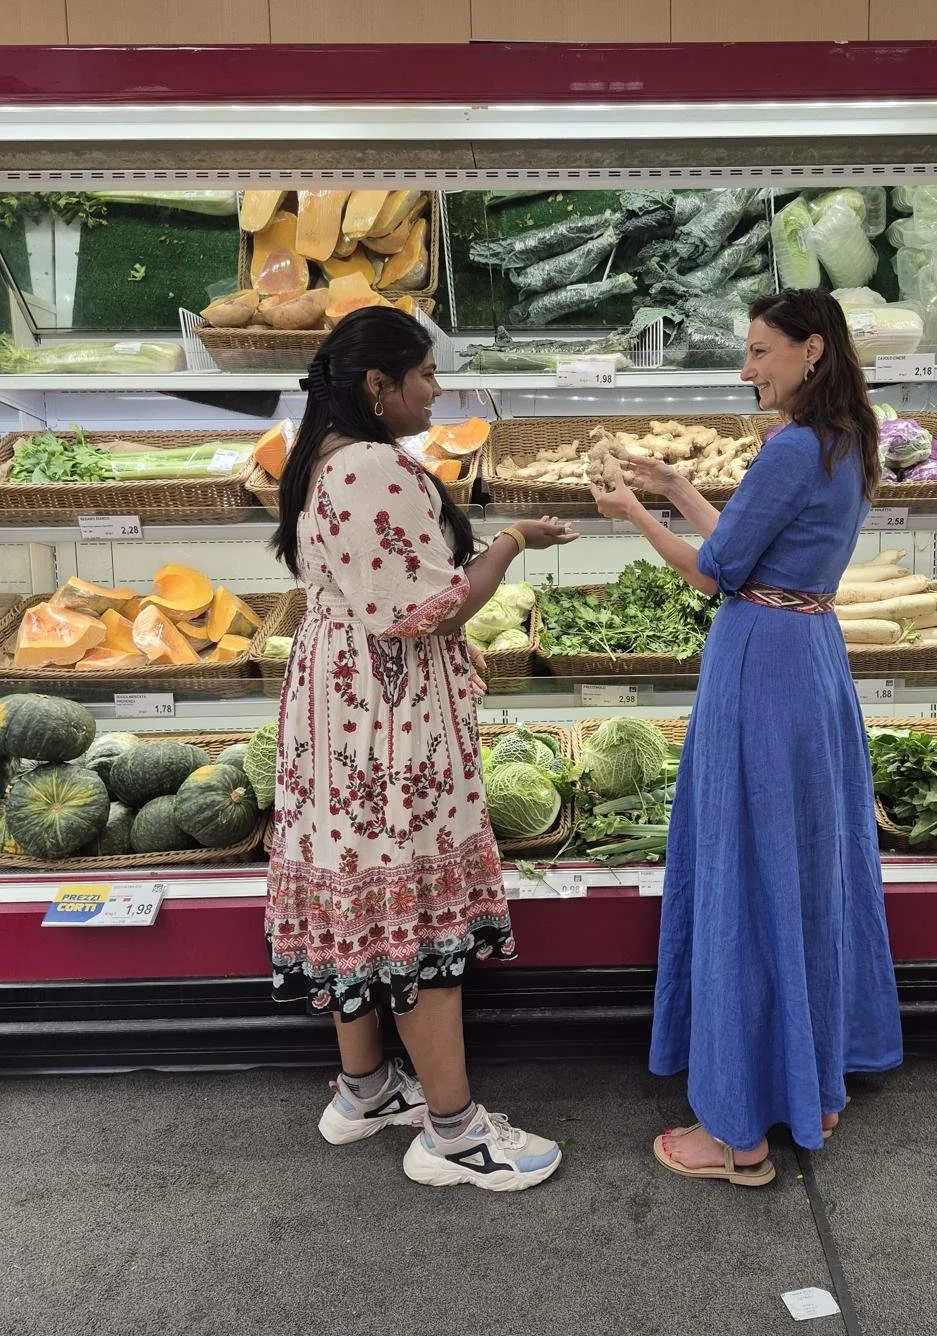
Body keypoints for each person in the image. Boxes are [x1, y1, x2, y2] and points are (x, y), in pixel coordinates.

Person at [588, 288, 902, 1186]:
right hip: (809, 651)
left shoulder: (791, 445)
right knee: (802, 866)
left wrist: (634, 515)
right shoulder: (845, 443)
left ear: (811, 352)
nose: (745, 368)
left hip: (758, 663)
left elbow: (715, 574)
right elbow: (759, 556)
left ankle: (736, 1133)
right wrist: (678, 483)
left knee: (742, 871)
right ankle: (813, 1083)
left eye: (760, 351)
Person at [266, 305, 577, 1192]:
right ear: (378, 385)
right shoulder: (371, 467)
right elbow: (423, 609)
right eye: (425, 375)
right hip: (387, 714)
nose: (437, 391)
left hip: (338, 700)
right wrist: (515, 541)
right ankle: (454, 1134)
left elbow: (367, 594)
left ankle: (363, 1091)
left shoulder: (320, 453)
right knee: (411, 904)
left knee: (358, 892)